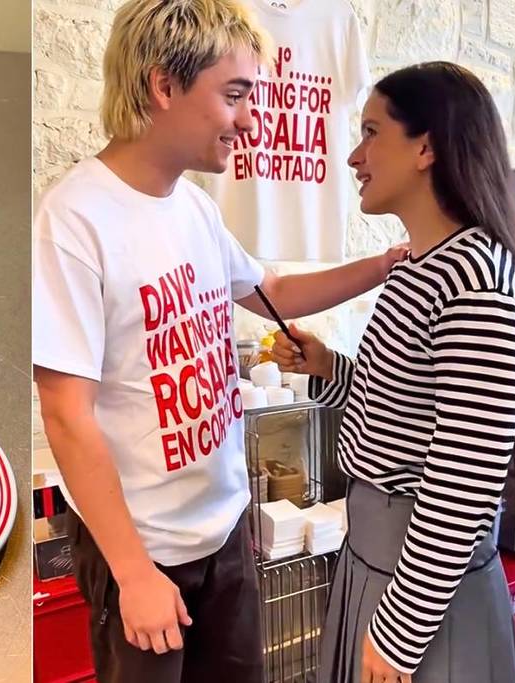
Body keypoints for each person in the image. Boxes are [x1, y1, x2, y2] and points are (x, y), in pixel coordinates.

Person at [32, 1, 408, 680]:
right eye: (233, 94)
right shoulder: (75, 217)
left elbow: (275, 293)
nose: (248, 119)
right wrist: (133, 572)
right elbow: (65, 412)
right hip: (143, 552)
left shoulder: (197, 209)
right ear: (163, 85)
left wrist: (383, 265)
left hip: (226, 531)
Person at [272, 62, 515, 683]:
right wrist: (329, 368)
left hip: (422, 591)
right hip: (377, 560)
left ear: (426, 146)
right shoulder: (418, 267)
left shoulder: (481, 281)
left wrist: (397, 635)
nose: (354, 157)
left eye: (371, 132)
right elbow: (403, 405)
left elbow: (463, 479)